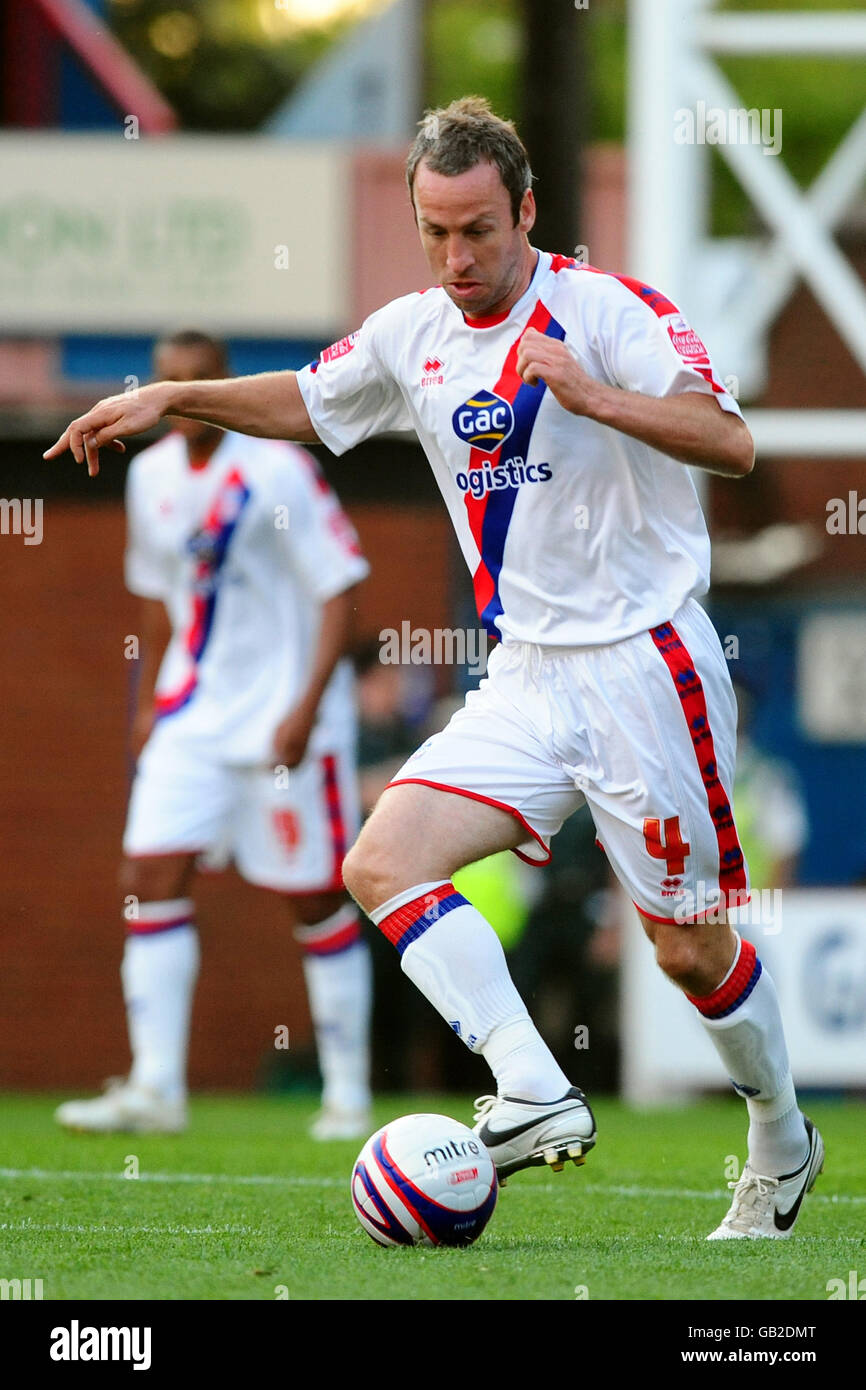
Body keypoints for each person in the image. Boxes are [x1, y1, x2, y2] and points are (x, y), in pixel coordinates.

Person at [46, 99, 824, 1239]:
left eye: (477, 232)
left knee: (687, 944)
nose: (456, 259)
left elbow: (729, 437)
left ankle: (779, 1133)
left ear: (526, 213)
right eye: (434, 233)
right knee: (381, 860)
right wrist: (174, 396)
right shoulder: (412, 333)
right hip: (524, 677)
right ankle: (533, 1085)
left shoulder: (608, 311)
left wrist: (591, 393)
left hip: (644, 666)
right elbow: (307, 404)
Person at [54, 330, 372, 1141]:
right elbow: (156, 600)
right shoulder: (151, 476)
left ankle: (347, 1095)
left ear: (220, 384)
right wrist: (145, 704)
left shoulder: (277, 468)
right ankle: (157, 1088)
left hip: (280, 719)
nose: (181, 393)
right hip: (191, 716)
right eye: (168, 380)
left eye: (197, 380)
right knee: (149, 874)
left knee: (314, 896)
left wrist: (305, 707)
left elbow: (340, 590)